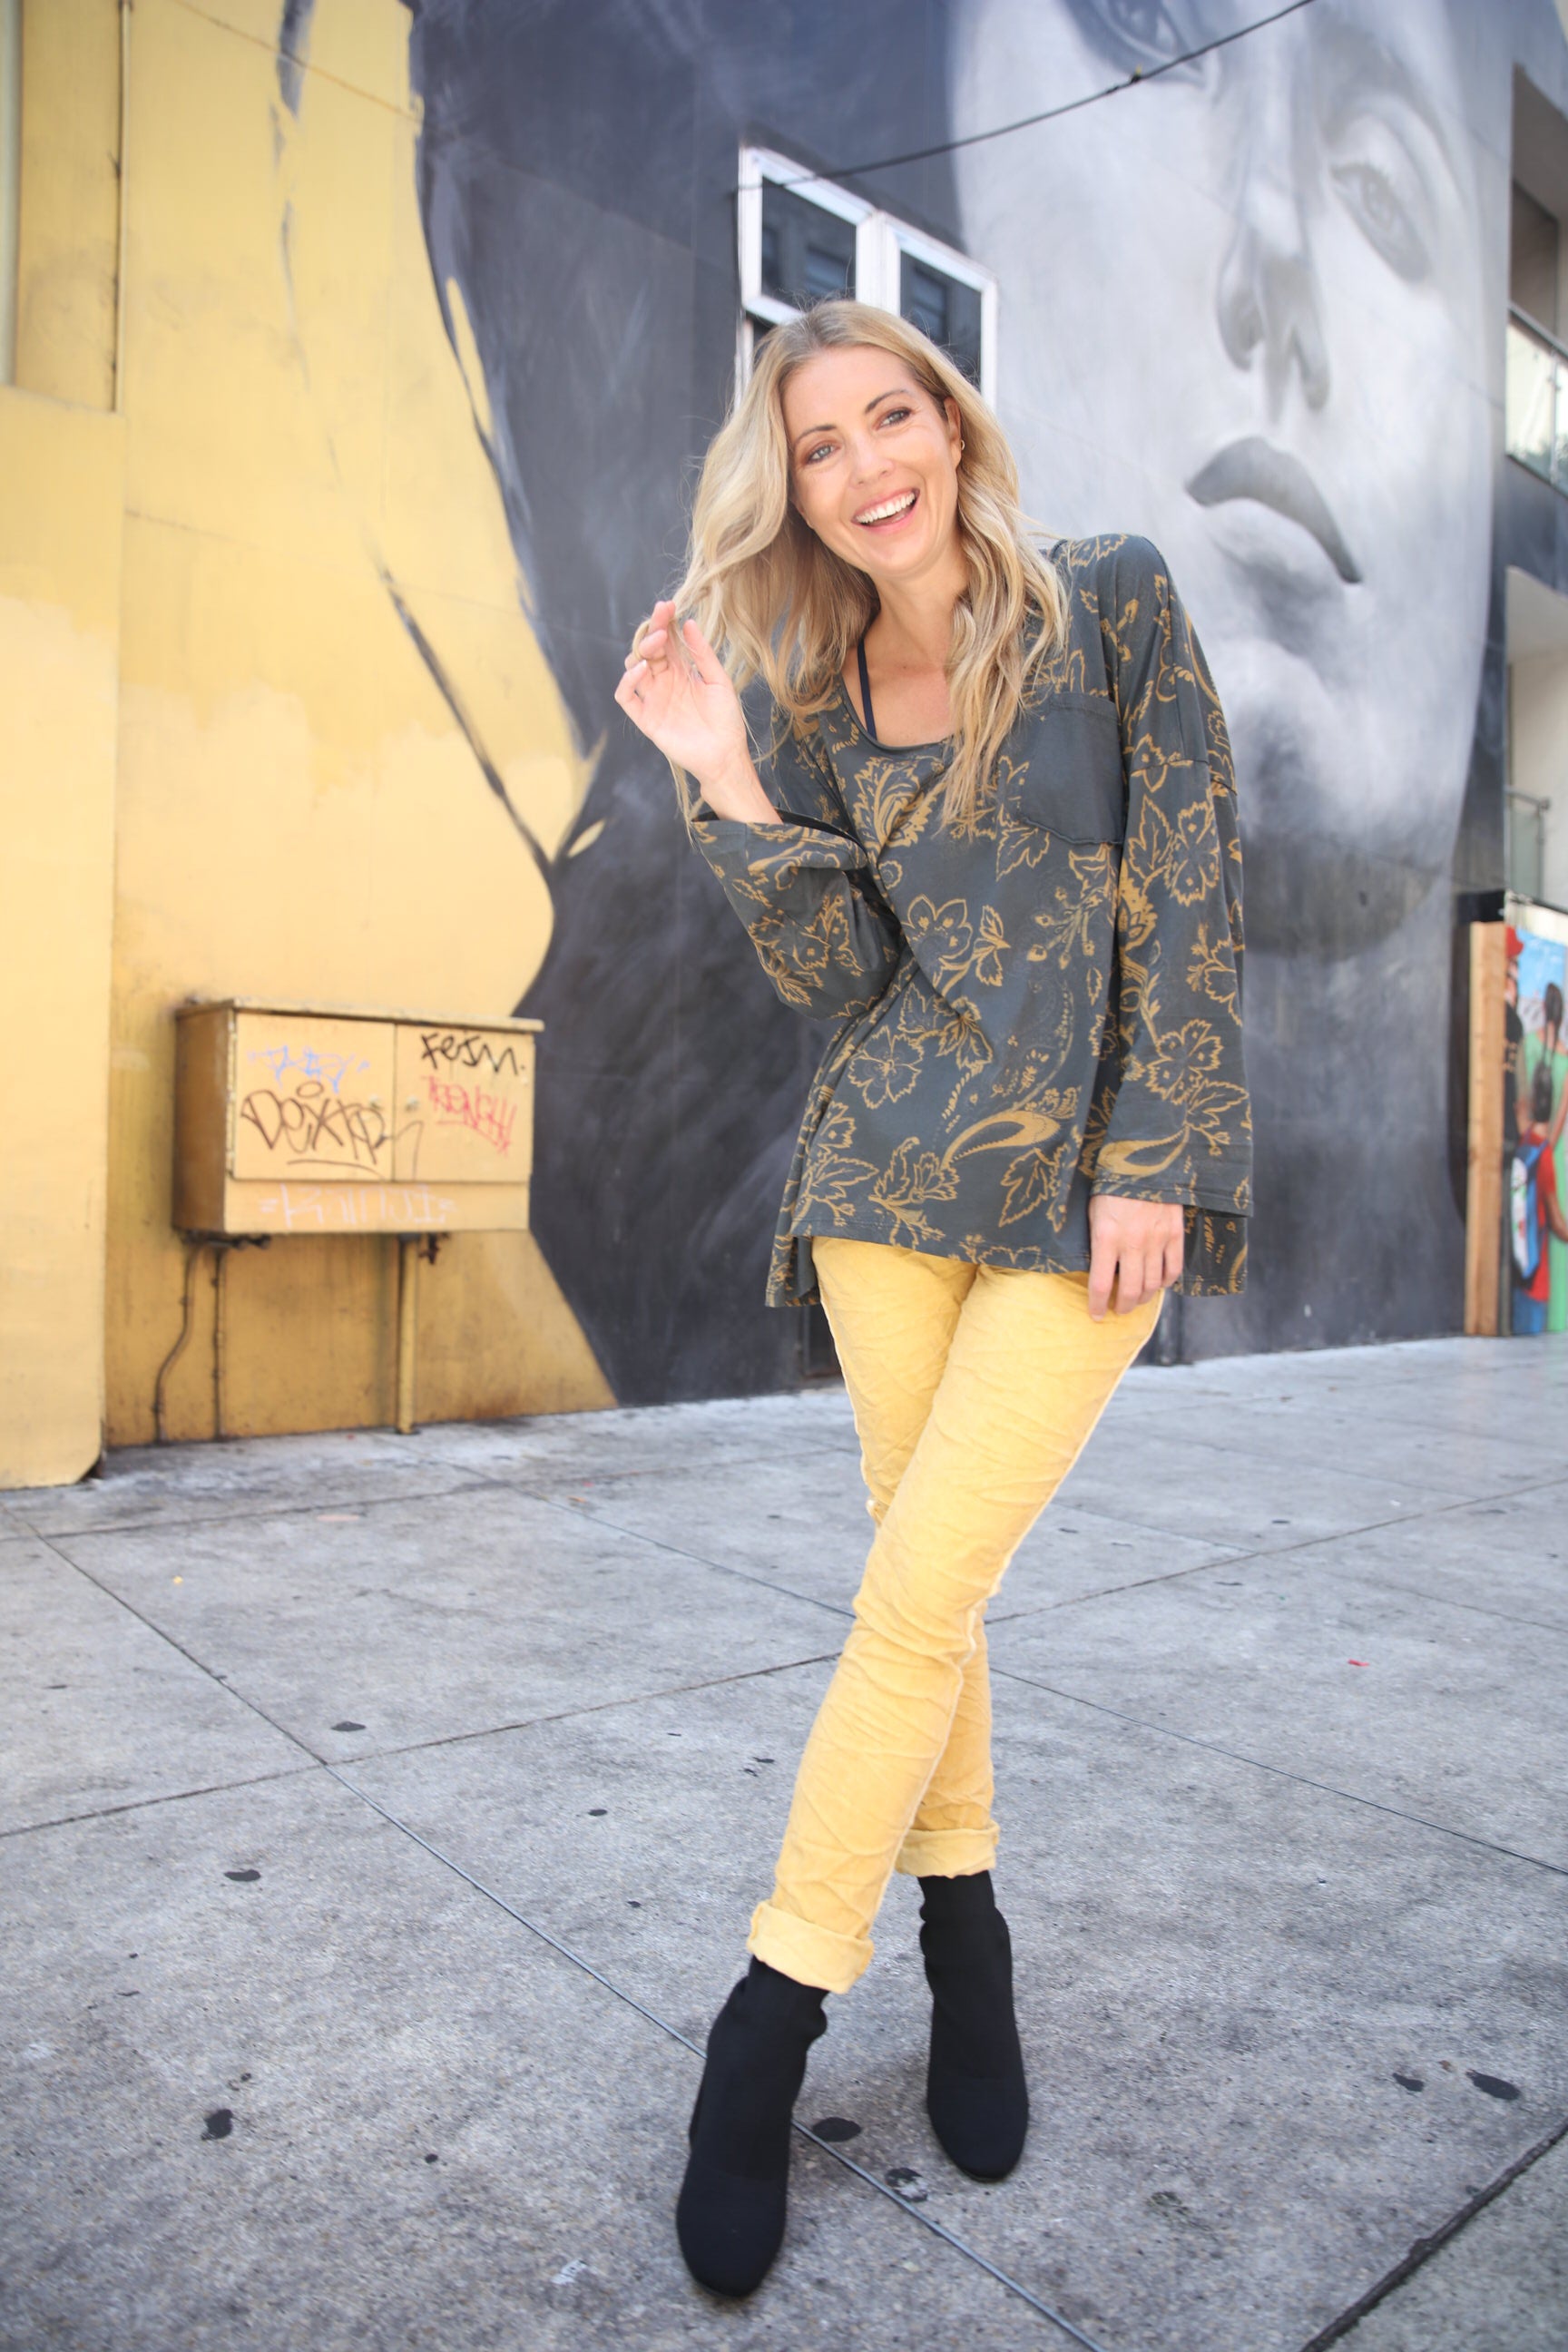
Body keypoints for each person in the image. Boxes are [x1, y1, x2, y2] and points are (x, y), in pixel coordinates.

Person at [614, 298, 1250, 2298]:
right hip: (885, 1185)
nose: (867, 464)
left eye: (892, 416)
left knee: (912, 1601)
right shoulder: (815, 695)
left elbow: (1191, 883)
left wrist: (1157, 1148)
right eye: (820, 444)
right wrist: (725, 769)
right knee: (929, 1592)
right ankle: (968, 1954)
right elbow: (838, 977)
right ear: (794, 489)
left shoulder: (1110, 604)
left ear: (952, 426)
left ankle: (769, 2018)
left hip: (1082, 1198)